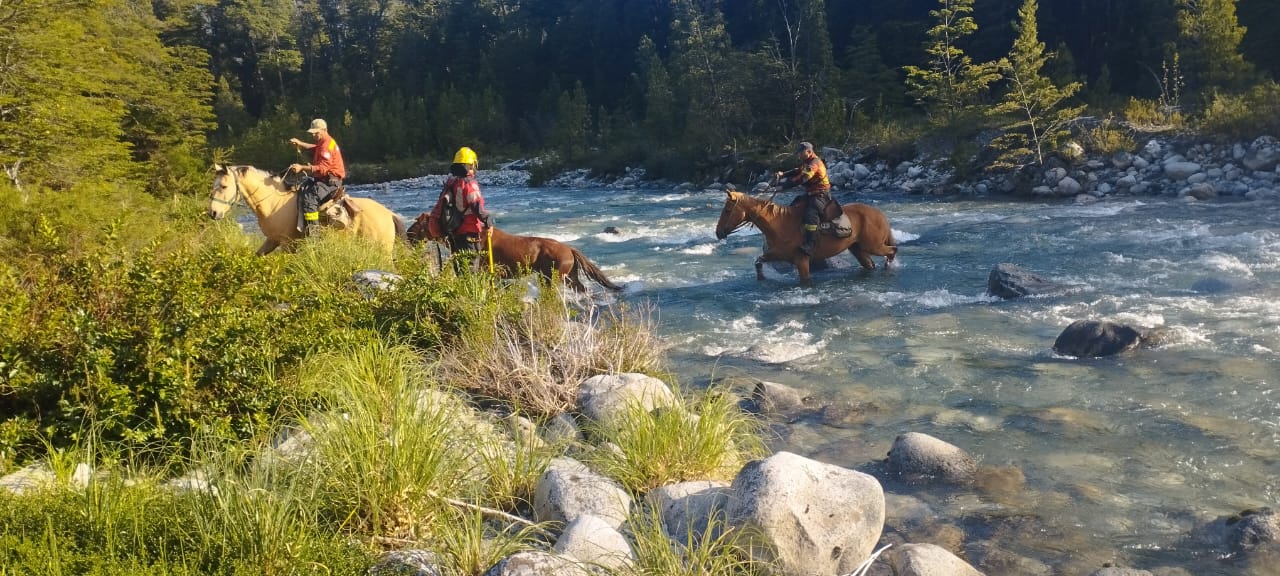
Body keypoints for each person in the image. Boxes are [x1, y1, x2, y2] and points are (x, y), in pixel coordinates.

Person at [288, 118, 346, 237]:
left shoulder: (326, 146)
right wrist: (301, 143)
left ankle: (314, 236)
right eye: (312, 133)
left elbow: (323, 168)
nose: (314, 135)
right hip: (324, 180)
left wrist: (302, 168)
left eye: (316, 132)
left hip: (330, 183)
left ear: (324, 130)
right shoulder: (324, 142)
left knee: (310, 199)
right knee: (303, 188)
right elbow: (315, 148)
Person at [430, 146, 492, 256]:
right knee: (471, 267)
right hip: (469, 233)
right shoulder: (469, 184)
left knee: (460, 266)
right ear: (471, 165)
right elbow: (476, 205)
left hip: (454, 232)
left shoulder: (451, 182)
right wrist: (488, 222)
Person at [774, 141, 831, 255]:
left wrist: (783, 186)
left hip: (821, 195)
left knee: (811, 215)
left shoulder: (814, 164)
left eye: (800, 153)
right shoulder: (807, 162)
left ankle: (810, 244)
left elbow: (803, 178)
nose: (799, 155)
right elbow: (798, 171)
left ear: (809, 151)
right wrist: (783, 174)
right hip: (811, 194)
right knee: (794, 205)